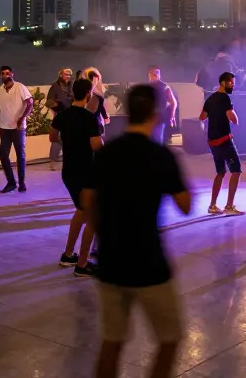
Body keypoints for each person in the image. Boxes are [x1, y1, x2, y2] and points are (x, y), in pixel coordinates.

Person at [86, 84, 191, 378]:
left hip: (109, 262)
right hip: (149, 263)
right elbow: (185, 204)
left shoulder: (107, 154)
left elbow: (88, 202)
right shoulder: (161, 156)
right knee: (169, 338)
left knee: (112, 342)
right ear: (156, 114)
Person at [50, 78, 104, 276]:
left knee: (80, 212)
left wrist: (67, 144)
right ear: (88, 94)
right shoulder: (89, 118)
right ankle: (82, 264)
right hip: (87, 173)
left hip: (69, 171)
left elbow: (52, 136)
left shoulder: (62, 116)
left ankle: (68, 255)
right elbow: (97, 146)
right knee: (91, 218)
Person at [199, 72, 243, 216]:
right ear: (223, 82)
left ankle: (212, 205)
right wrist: (235, 118)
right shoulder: (225, 98)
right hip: (224, 140)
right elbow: (232, 117)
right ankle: (229, 206)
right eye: (231, 82)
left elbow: (202, 117)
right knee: (236, 170)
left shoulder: (210, 98)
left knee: (221, 172)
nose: (233, 85)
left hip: (212, 141)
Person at [0, 66, 32, 194]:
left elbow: (30, 102)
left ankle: (21, 183)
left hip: (18, 128)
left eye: (7, 73)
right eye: (3, 73)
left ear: (12, 74)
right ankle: (11, 182)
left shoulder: (19, 87)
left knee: (20, 154)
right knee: (3, 153)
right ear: (0, 76)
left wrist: (22, 118)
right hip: (4, 127)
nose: (5, 75)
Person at [45, 68, 74, 170]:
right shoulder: (55, 86)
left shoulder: (72, 86)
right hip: (60, 115)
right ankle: (53, 161)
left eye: (69, 74)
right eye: (66, 74)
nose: (68, 76)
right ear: (61, 75)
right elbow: (49, 102)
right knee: (57, 139)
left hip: (72, 115)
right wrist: (56, 104)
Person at [147, 66, 178, 145]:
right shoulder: (163, 87)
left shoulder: (164, 87)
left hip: (158, 118)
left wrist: (172, 116)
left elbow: (173, 102)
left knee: (156, 139)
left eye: (152, 74)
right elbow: (173, 102)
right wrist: (172, 116)